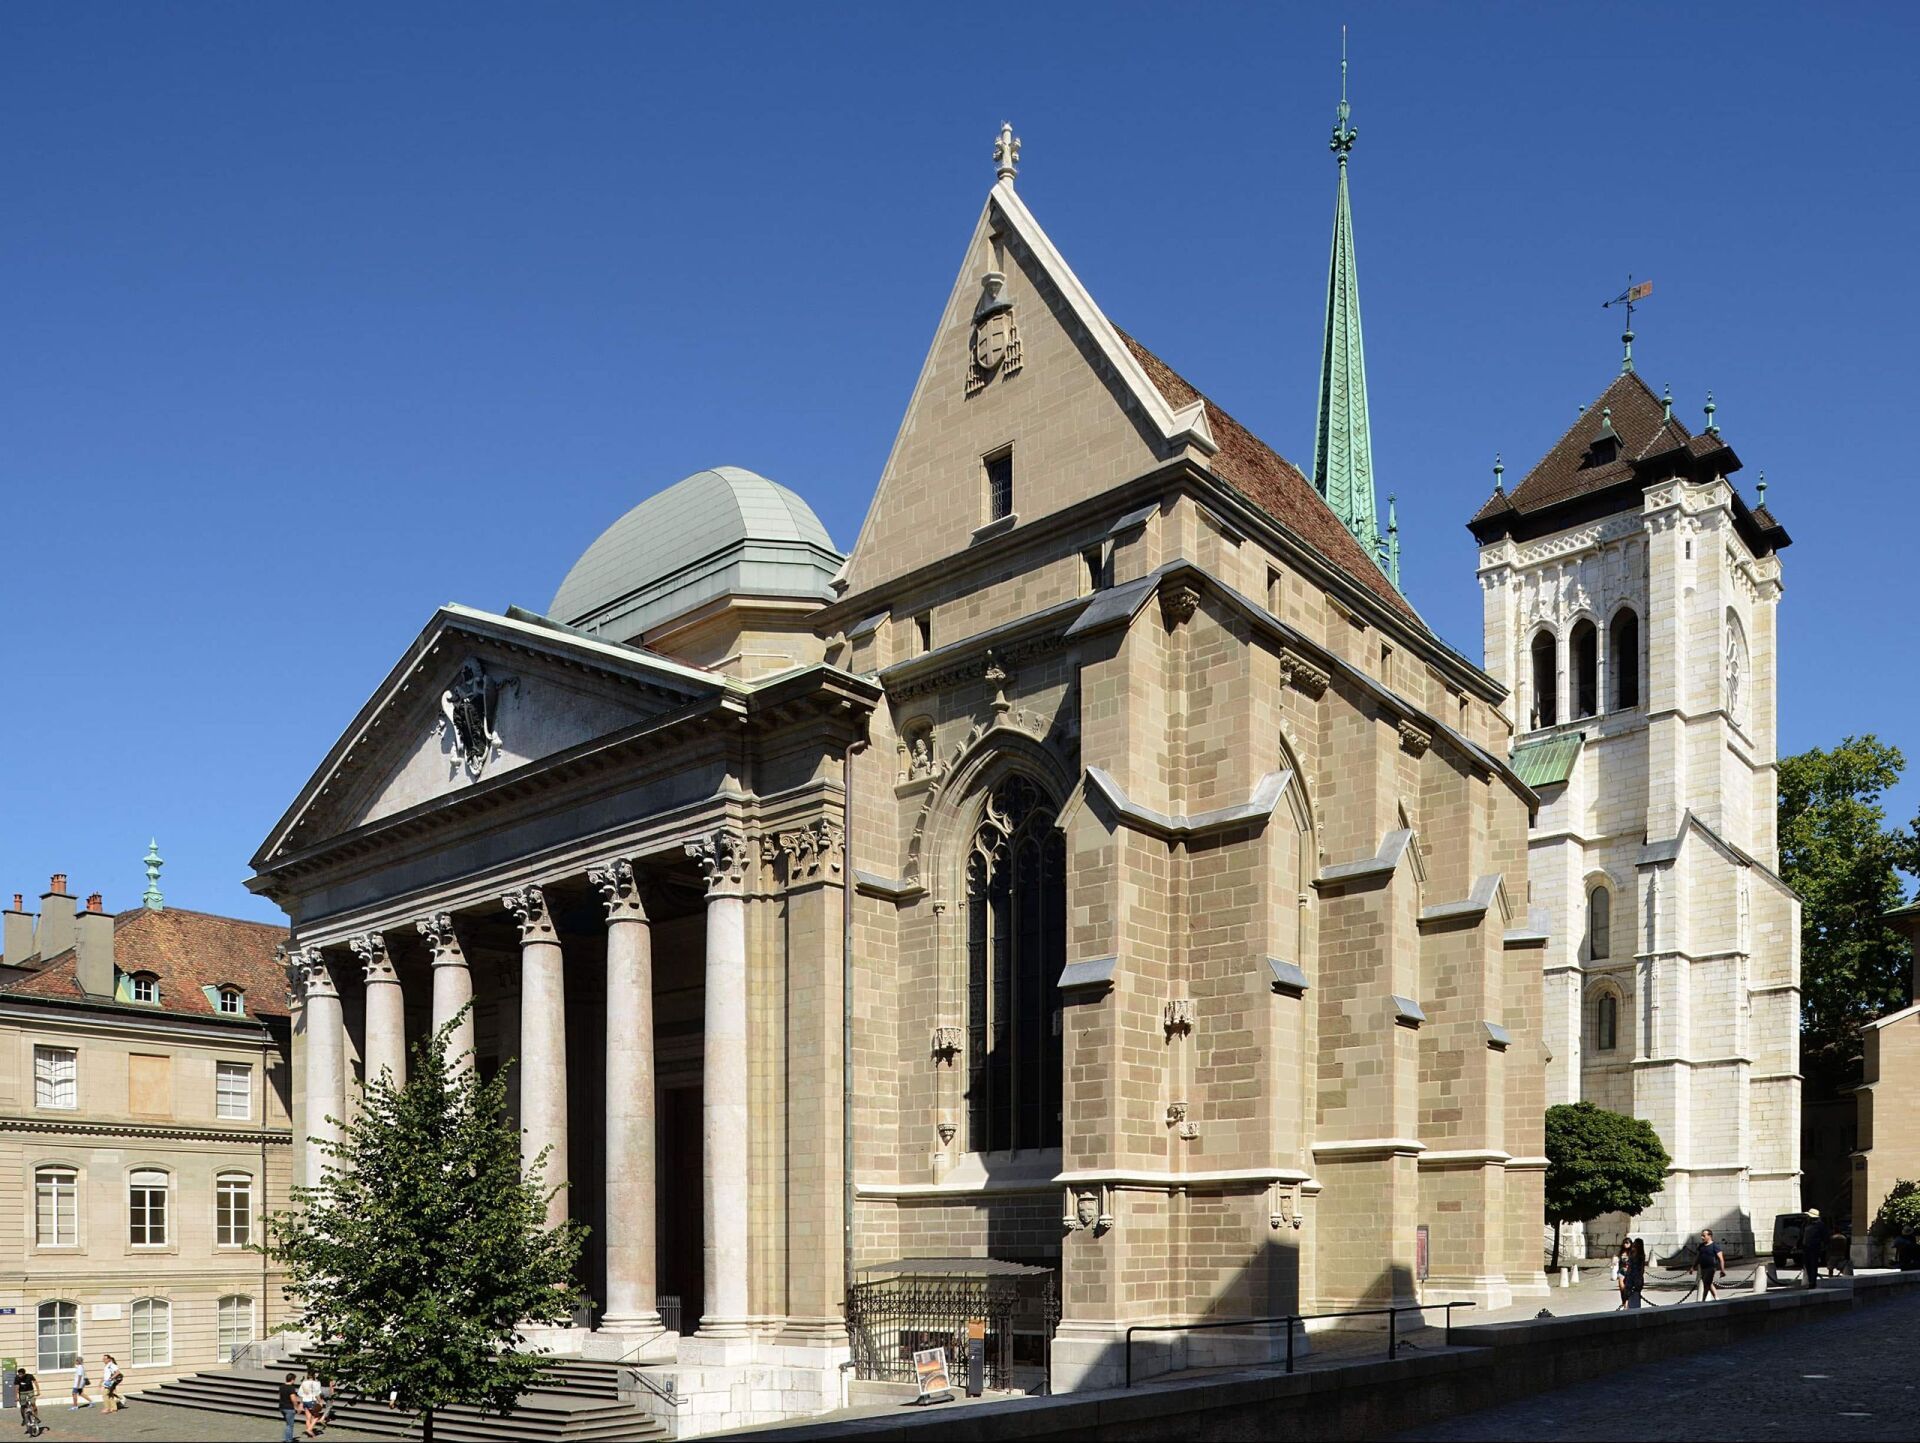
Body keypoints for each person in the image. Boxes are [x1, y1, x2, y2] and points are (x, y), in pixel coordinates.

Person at [1801, 1208, 1829, 1289]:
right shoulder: (1806, 1224)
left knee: (1813, 1265)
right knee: (1807, 1265)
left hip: (1815, 1248)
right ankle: (1810, 1281)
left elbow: (1825, 1237)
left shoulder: (1820, 1225)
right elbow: (1802, 1235)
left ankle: (1812, 1283)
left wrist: (1824, 1247)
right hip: (1806, 1248)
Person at [1696, 1228, 1727, 1301]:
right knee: (1708, 1283)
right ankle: (1716, 1297)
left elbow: (1721, 1259)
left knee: (1707, 1283)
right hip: (1703, 1268)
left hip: (1711, 1268)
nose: (1702, 1237)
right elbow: (1697, 1257)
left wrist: (1722, 1270)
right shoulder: (1701, 1246)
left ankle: (1703, 1300)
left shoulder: (1714, 1246)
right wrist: (1693, 1267)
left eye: (1704, 1236)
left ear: (1709, 1236)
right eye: (1701, 1236)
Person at [297, 1369, 324, 1437]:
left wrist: (301, 1402)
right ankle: (309, 1429)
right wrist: (320, 1402)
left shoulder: (303, 1383)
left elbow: (300, 1393)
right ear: (314, 1375)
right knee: (316, 1417)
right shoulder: (316, 1383)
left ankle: (310, 1433)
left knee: (308, 1418)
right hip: (311, 1401)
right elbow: (317, 1394)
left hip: (305, 1401)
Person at [1625, 1237, 1647, 1309]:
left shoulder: (1640, 1256)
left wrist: (1638, 1279)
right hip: (1631, 1277)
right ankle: (1630, 1307)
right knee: (1631, 1295)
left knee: (1635, 1295)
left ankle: (1634, 1309)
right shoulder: (1632, 1254)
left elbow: (1641, 1269)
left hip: (1635, 1278)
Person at [279, 1373, 302, 1443]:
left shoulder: (281, 1386)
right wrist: (297, 1408)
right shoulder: (291, 1388)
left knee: (288, 1424)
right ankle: (289, 1440)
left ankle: (287, 1438)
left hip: (282, 1407)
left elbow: (281, 1397)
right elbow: (293, 1399)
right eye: (294, 1379)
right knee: (290, 1425)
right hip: (289, 1408)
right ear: (292, 1379)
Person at [14, 1364, 38, 1429]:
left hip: (30, 1391)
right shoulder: (17, 1377)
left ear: (24, 1374)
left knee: (33, 1403)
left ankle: (36, 1417)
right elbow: (16, 1387)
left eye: (21, 1374)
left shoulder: (29, 1376)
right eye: (19, 1374)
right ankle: (24, 1419)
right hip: (22, 1392)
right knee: (22, 1406)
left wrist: (38, 1391)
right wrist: (16, 1396)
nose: (20, 1375)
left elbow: (35, 1382)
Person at [1611, 1241, 1632, 1309]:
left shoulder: (1633, 1253)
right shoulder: (1621, 1252)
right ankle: (1624, 1302)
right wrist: (1614, 1261)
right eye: (1624, 1243)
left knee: (1627, 1289)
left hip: (1630, 1273)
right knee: (1622, 1288)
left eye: (1627, 1243)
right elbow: (1616, 1260)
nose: (1625, 1244)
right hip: (1621, 1272)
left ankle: (1626, 1304)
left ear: (1630, 1244)